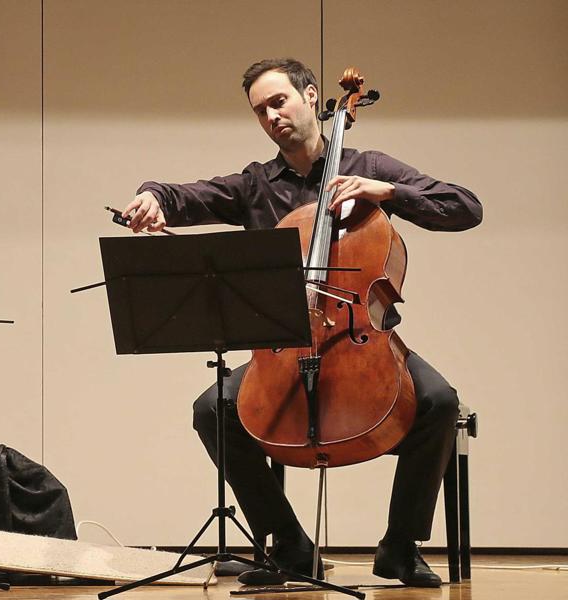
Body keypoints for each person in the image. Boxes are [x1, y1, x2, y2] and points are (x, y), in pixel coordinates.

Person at [123, 58, 481, 588]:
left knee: (439, 402)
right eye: (260, 110)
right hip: (285, 348)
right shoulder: (256, 185)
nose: (271, 116)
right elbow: (187, 196)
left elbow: (464, 206)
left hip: (360, 338)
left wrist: (387, 192)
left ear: (312, 97)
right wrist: (154, 197)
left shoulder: (367, 164)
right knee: (213, 410)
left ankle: (400, 546)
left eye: (279, 101)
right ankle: (290, 545)